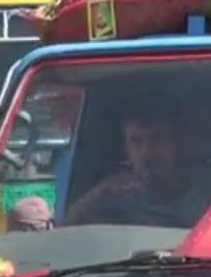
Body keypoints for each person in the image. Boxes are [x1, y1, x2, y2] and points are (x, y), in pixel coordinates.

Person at [64, 97, 200, 226]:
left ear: (179, 143)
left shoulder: (210, 195)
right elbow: (67, 230)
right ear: (126, 149)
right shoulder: (112, 196)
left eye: (159, 139)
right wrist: (99, 193)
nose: (148, 152)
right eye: (137, 141)